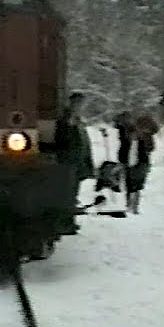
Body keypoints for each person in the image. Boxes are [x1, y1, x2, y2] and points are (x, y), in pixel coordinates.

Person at [55, 92, 95, 234]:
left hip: (77, 162)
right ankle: (65, 222)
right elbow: (64, 138)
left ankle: (69, 221)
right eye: (78, 103)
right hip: (68, 162)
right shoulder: (67, 119)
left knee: (73, 193)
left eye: (81, 103)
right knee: (67, 193)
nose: (80, 106)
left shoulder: (78, 120)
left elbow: (84, 143)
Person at [124, 115, 158, 215]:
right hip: (133, 162)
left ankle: (133, 206)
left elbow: (150, 148)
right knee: (131, 184)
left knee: (135, 184)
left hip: (140, 163)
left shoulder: (147, 137)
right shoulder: (130, 135)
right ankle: (130, 206)